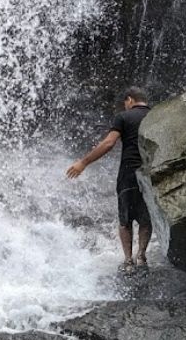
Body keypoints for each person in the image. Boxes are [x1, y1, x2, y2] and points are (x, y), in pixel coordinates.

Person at [66, 86, 154, 272]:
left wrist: (83, 162)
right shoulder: (157, 115)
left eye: (125, 102)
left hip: (129, 172)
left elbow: (108, 143)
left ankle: (128, 260)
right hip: (151, 173)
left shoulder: (124, 117)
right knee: (146, 217)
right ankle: (142, 256)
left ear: (129, 100)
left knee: (125, 220)